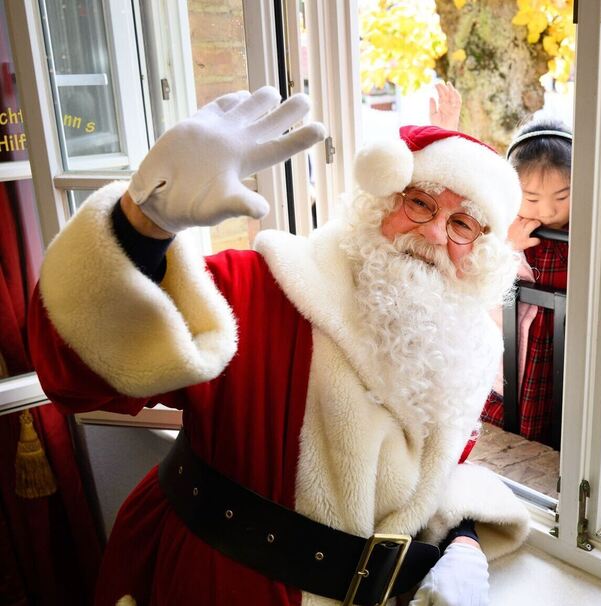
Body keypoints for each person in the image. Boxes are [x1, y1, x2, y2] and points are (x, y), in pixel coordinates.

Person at [28, 88, 530, 605]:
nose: (433, 233)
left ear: (481, 249)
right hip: (217, 582)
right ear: (380, 201)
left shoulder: (461, 350)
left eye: (462, 224)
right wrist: (142, 225)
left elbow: (425, 475)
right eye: (419, 202)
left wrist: (462, 541)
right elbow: (76, 373)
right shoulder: (264, 287)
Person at [480, 119, 573, 447]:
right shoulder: (502, 228)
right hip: (519, 349)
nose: (547, 210)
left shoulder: (584, 231)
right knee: (511, 433)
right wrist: (510, 246)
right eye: (531, 198)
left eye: (562, 196)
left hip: (563, 351)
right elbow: (483, 287)